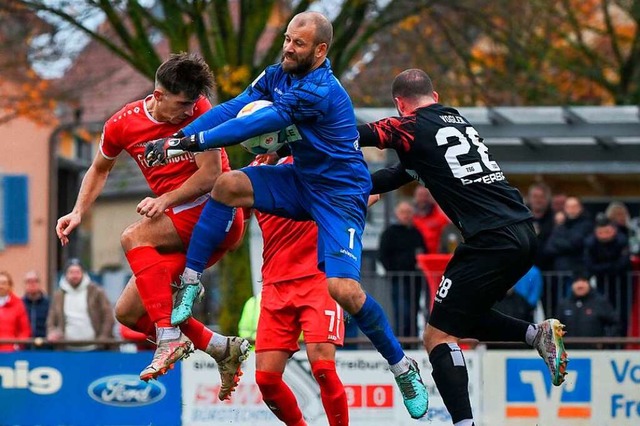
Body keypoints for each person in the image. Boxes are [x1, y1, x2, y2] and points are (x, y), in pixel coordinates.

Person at [144, 12, 428, 419]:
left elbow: (262, 121)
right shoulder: (277, 73)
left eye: (298, 43)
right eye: (287, 38)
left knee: (344, 291)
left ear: (320, 50)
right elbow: (238, 107)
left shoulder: (320, 90)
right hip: (299, 179)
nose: (288, 47)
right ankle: (191, 282)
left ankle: (403, 368)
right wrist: (178, 140)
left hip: (339, 193)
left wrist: (189, 142)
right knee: (225, 185)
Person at [357, 68, 569, 426]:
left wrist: (288, 140)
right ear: (435, 96)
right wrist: (365, 189)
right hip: (522, 234)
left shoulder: (408, 126)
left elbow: (353, 135)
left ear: (399, 104)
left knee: (437, 335)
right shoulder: (455, 121)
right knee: (465, 317)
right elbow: (403, 172)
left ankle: (464, 423)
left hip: (491, 240)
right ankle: (535, 334)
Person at [54, 53, 249, 397]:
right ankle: (220, 347)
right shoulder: (122, 124)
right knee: (127, 312)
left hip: (215, 213)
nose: (189, 111)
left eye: (193, 103)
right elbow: (100, 169)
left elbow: (210, 175)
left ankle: (168, 339)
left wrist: (164, 200)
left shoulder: (202, 111)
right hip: (179, 226)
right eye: (183, 103)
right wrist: (78, 211)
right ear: (158, 96)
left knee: (132, 236)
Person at [246, 155, 349, 426]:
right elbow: (228, 209)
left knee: (323, 368)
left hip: (318, 279)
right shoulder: (253, 170)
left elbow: (362, 191)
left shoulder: (313, 154)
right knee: (266, 379)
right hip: (275, 285)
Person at [378, 200, 427, 338]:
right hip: (398, 278)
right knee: (402, 312)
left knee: (414, 311)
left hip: (415, 279)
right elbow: (383, 255)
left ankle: (412, 341)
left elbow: (423, 253)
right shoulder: (389, 233)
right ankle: (402, 341)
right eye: (403, 212)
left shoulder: (416, 233)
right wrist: (392, 271)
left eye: (409, 212)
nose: (406, 215)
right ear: (397, 214)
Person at [46, 259, 114, 351]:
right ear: (66, 274)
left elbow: (108, 316)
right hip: (66, 349)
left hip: (95, 348)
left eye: (77, 272)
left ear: (83, 273)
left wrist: (103, 338)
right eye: (71, 272)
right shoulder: (59, 295)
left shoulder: (96, 291)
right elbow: (51, 320)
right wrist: (52, 332)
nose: (74, 275)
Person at [584, 213, 631, 335]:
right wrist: (609, 267)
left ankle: (622, 340)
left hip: (622, 284)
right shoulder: (590, 244)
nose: (604, 235)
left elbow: (623, 264)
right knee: (602, 312)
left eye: (607, 231)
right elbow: (589, 265)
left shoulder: (622, 241)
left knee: (622, 314)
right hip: (601, 285)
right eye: (601, 232)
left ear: (614, 231)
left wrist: (603, 268)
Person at [556, 270, 620, 349]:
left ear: (589, 284)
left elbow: (615, 324)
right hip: (568, 354)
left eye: (583, 281)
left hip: (594, 354)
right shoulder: (564, 304)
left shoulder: (600, 302)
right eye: (576, 282)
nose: (580, 285)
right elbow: (554, 327)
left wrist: (605, 341)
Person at [412, 186, 450, 254]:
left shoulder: (440, 216)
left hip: (437, 256)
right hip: (418, 257)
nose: (423, 198)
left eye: (426, 195)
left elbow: (448, 234)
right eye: (420, 195)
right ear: (415, 197)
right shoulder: (411, 217)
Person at [0, 271, 31, 351]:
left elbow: (25, 330)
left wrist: (17, 346)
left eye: (4, 283)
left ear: (10, 286)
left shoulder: (18, 304)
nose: (1, 286)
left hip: (10, 351)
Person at [21, 270, 50, 346]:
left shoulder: (49, 304)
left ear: (40, 284)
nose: (32, 284)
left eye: (35, 281)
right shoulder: (20, 304)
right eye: (29, 281)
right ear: (24, 284)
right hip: (24, 348)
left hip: (45, 347)